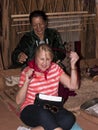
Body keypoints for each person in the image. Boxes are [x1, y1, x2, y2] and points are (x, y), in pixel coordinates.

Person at [16, 44, 80, 130]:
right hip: (31, 110)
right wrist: (27, 81)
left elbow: (73, 86)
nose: (45, 63)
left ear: (52, 59)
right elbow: (18, 101)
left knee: (69, 118)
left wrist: (73, 65)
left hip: (52, 108)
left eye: (48, 59)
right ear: (35, 58)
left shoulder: (55, 68)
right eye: (41, 59)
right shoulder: (27, 71)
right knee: (44, 114)